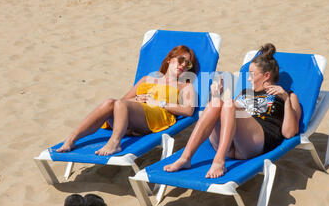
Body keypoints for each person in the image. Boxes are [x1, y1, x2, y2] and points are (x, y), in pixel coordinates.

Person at [164, 43, 302, 178]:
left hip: (254, 143)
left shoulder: (288, 95)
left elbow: (289, 133)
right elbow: (226, 115)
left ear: (266, 76)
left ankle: (219, 160)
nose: (248, 78)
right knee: (216, 102)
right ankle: (185, 158)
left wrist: (286, 100)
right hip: (231, 143)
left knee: (228, 103)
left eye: (252, 74)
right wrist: (217, 95)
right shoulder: (244, 92)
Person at [56, 45, 198, 156]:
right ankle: (72, 138)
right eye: (181, 60)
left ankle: (115, 142)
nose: (184, 65)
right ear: (169, 60)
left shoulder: (185, 86)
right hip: (131, 114)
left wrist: (160, 103)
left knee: (119, 104)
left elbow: (189, 110)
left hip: (157, 116)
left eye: (188, 64)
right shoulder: (147, 79)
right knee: (110, 102)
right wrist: (137, 99)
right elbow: (124, 100)